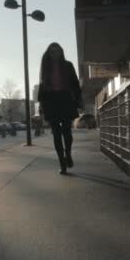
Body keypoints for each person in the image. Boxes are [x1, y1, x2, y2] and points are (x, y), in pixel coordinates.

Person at [37, 42, 83, 174]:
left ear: (61, 52)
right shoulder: (45, 67)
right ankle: (62, 163)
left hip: (66, 100)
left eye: (57, 51)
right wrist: (40, 105)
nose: (55, 54)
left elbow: (75, 83)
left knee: (67, 132)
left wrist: (79, 100)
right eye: (52, 52)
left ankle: (68, 154)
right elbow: (42, 86)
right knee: (56, 134)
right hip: (50, 101)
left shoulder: (68, 65)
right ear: (49, 54)